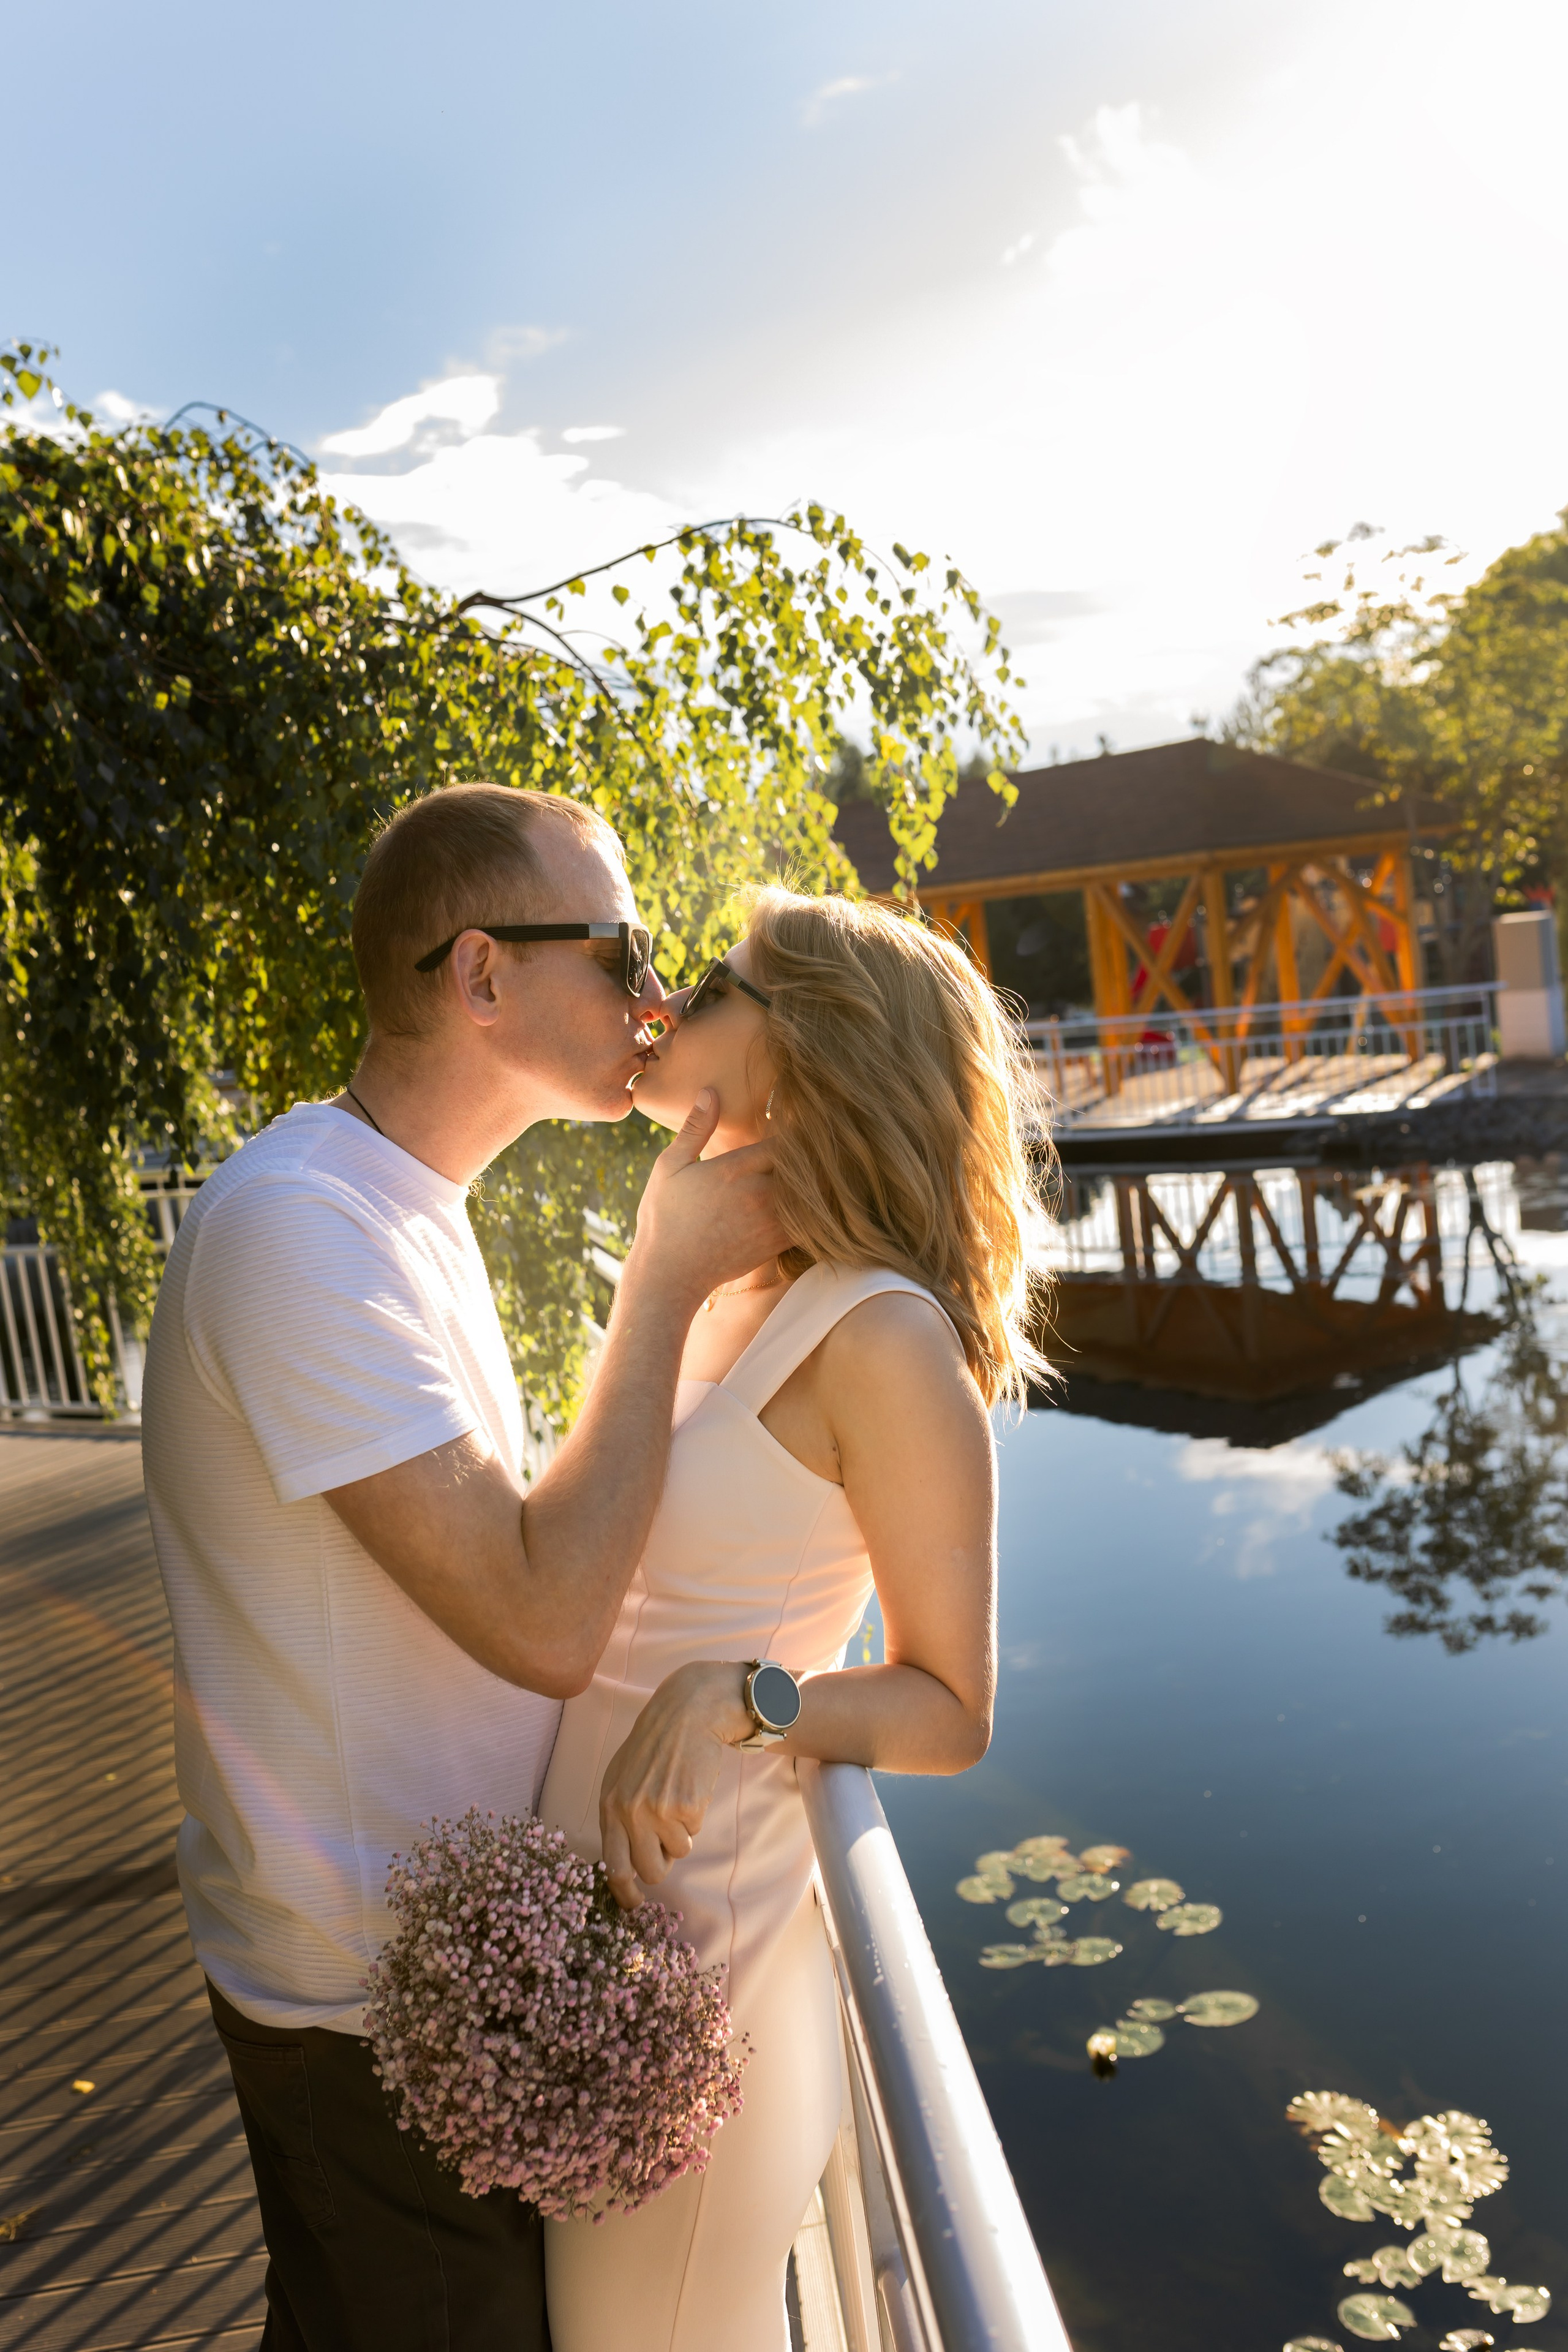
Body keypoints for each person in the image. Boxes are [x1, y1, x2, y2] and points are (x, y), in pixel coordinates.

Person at [140, 783, 784, 2352]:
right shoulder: (301, 1230)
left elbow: (530, 1543)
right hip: (362, 2002)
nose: (653, 995)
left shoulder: (404, 1209)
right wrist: (662, 1275)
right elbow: (543, 1616)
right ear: (482, 974)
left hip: (437, 1981)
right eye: (623, 948)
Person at [540, 884, 1046, 2352]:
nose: (664, 1005)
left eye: (711, 984)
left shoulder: (880, 1336)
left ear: (809, 1047)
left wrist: (739, 1693)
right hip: (584, 1946)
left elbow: (951, 1706)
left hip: (705, 1967)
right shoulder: (709, 1286)